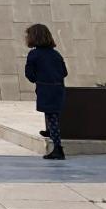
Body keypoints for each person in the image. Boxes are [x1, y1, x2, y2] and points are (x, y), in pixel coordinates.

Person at [24, 23, 68, 160]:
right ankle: (49, 131)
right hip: (58, 87)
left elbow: (30, 74)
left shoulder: (34, 54)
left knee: (51, 116)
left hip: (45, 87)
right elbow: (64, 72)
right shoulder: (56, 54)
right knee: (52, 113)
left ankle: (58, 148)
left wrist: (39, 78)